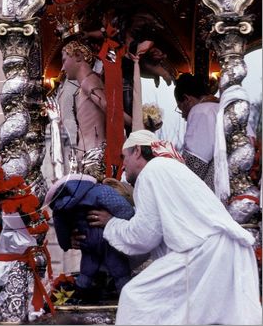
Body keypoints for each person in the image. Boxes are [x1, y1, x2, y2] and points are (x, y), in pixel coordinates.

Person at [89, 129, 262, 325]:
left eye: (124, 156)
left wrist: (110, 223)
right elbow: (156, 237)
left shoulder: (151, 172)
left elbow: (145, 236)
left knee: (135, 297)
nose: (123, 165)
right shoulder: (166, 168)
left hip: (206, 254)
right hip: (218, 253)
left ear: (137, 151)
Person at [44, 174, 134, 302]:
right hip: (107, 239)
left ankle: (81, 293)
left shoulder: (60, 203)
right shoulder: (98, 190)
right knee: (119, 269)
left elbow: (60, 224)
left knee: (87, 269)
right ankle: (127, 297)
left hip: (86, 240)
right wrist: (122, 219)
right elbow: (124, 209)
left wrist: (66, 242)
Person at [61, 40, 132, 182]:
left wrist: (133, 122)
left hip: (95, 159)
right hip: (88, 157)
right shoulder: (85, 85)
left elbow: (108, 108)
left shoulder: (89, 82)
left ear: (78, 56)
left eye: (64, 60)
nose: (62, 68)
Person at [174, 73, 219, 190]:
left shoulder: (200, 111)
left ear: (187, 99)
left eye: (181, 108)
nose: (183, 115)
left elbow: (195, 163)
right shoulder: (225, 107)